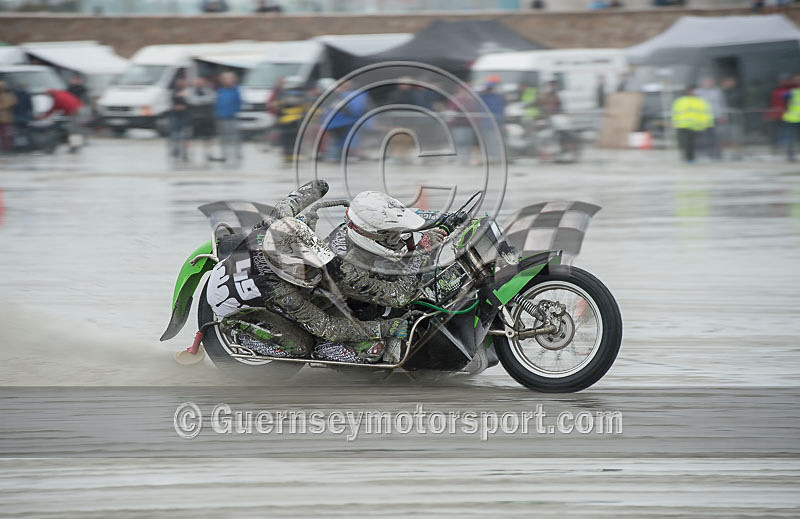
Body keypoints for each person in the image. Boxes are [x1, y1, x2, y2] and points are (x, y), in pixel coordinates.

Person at [206, 181, 410, 363]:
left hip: (245, 269)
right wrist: (384, 328)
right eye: (305, 269)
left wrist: (317, 188)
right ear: (283, 266)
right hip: (242, 307)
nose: (315, 272)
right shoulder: (280, 291)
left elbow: (291, 201)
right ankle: (237, 330)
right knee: (301, 345)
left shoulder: (274, 224)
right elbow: (325, 326)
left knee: (335, 292)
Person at [321, 191, 451, 362]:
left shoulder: (361, 223)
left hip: (364, 286)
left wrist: (447, 218)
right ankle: (326, 348)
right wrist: (421, 251)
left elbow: (407, 216)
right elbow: (399, 296)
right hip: (338, 317)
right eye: (392, 235)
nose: (399, 239)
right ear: (371, 235)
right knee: (375, 349)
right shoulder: (346, 271)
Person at [671, 85, 713, 163]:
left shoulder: (700, 101)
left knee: (691, 143)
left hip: (695, 126)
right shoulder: (681, 101)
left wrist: (708, 124)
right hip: (682, 125)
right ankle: (687, 157)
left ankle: (690, 157)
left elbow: (706, 113)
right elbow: (675, 113)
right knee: (686, 143)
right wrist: (674, 123)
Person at [274, 76, 309, 163]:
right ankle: (294, 156)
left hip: (285, 121)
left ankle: (288, 156)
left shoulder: (282, 94)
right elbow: (306, 107)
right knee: (295, 140)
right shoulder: (302, 94)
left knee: (287, 141)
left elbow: (278, 107)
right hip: (297, 122)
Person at [214, 71, 243, 165]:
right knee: (223, 137)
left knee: (235, 137)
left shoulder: (236, 90)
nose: (227, 81)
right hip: (221, 117)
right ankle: (224, 154)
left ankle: (237, 154)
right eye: (225, 79)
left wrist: (233, 111)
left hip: (232, 117)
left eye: (229, 79)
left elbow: (239, 103)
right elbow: (216, 104)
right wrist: (217, 113)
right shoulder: (220, 91)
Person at [43, 88, 84, 153]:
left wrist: (46, 115)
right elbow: (64, 105)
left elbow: (55, 107)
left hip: (75, 111)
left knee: (74, 131)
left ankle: (75, 148)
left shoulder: (57, 97)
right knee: (75, 130)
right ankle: (75, 147)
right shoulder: (61, 93)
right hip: (79, 108)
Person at [695, 77, 727, 160]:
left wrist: (723, 116)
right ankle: (705, 153)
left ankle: (717, 154)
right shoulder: (697, 92)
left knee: (717, 136)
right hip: (703, 118)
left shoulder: (717, 92)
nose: (708, 84)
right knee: (704, 136)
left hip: (716, 117)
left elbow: (722, 104)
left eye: (709, 82)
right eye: (706, 82)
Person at [187, 76, 217, 164]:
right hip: (195, 118)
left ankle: (208, 155)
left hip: (207, 118)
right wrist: (203, 101)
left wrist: (200, 101)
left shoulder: (208, 90)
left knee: (208, 138)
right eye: (197, 81)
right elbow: (191, 100)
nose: (199, 83)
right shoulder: (191, 91)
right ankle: (190, 155)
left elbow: (213, 98)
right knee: (192, 138)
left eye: (201, 81)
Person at [766, 74, 794, 154]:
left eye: (785, 80)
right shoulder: (774, 90)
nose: (783, 82)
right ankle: (775, 147)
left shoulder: (790, 90)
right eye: (781, 80)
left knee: (787, 131)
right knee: (775, 131)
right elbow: (770, 102)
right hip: (776, 114)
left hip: (788, 114)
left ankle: (787, 148)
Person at [168, 77, 190, 163]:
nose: (181, 83)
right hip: (175, 116)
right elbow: (172, 103)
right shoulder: (173, 91)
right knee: (175, 136)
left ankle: (185, 154)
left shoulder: (188, 91)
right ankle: (175, 153)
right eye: (179, 81)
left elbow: (190, 102)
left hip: (186, 116)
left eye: (182, 81)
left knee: (186, 136)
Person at [782, 73, 800, 161]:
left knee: (792, 139)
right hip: (792, 119)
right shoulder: (792, 92)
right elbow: (783, 97)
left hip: (792, 118)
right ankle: (791, 156)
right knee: (791, 139)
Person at [10, 82, 33, 150]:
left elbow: (12, 106)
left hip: (16, 116)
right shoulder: (27, 94)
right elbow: (30, 106)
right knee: (25, 132)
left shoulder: (14, 94)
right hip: (24, 116)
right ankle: (27, 146)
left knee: (17, 132)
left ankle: (18, 146)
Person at [0, 81, 17, 153]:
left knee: (7, 135)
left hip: (6, 119)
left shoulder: (9, 95)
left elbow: (12, 103)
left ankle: (8, 149)